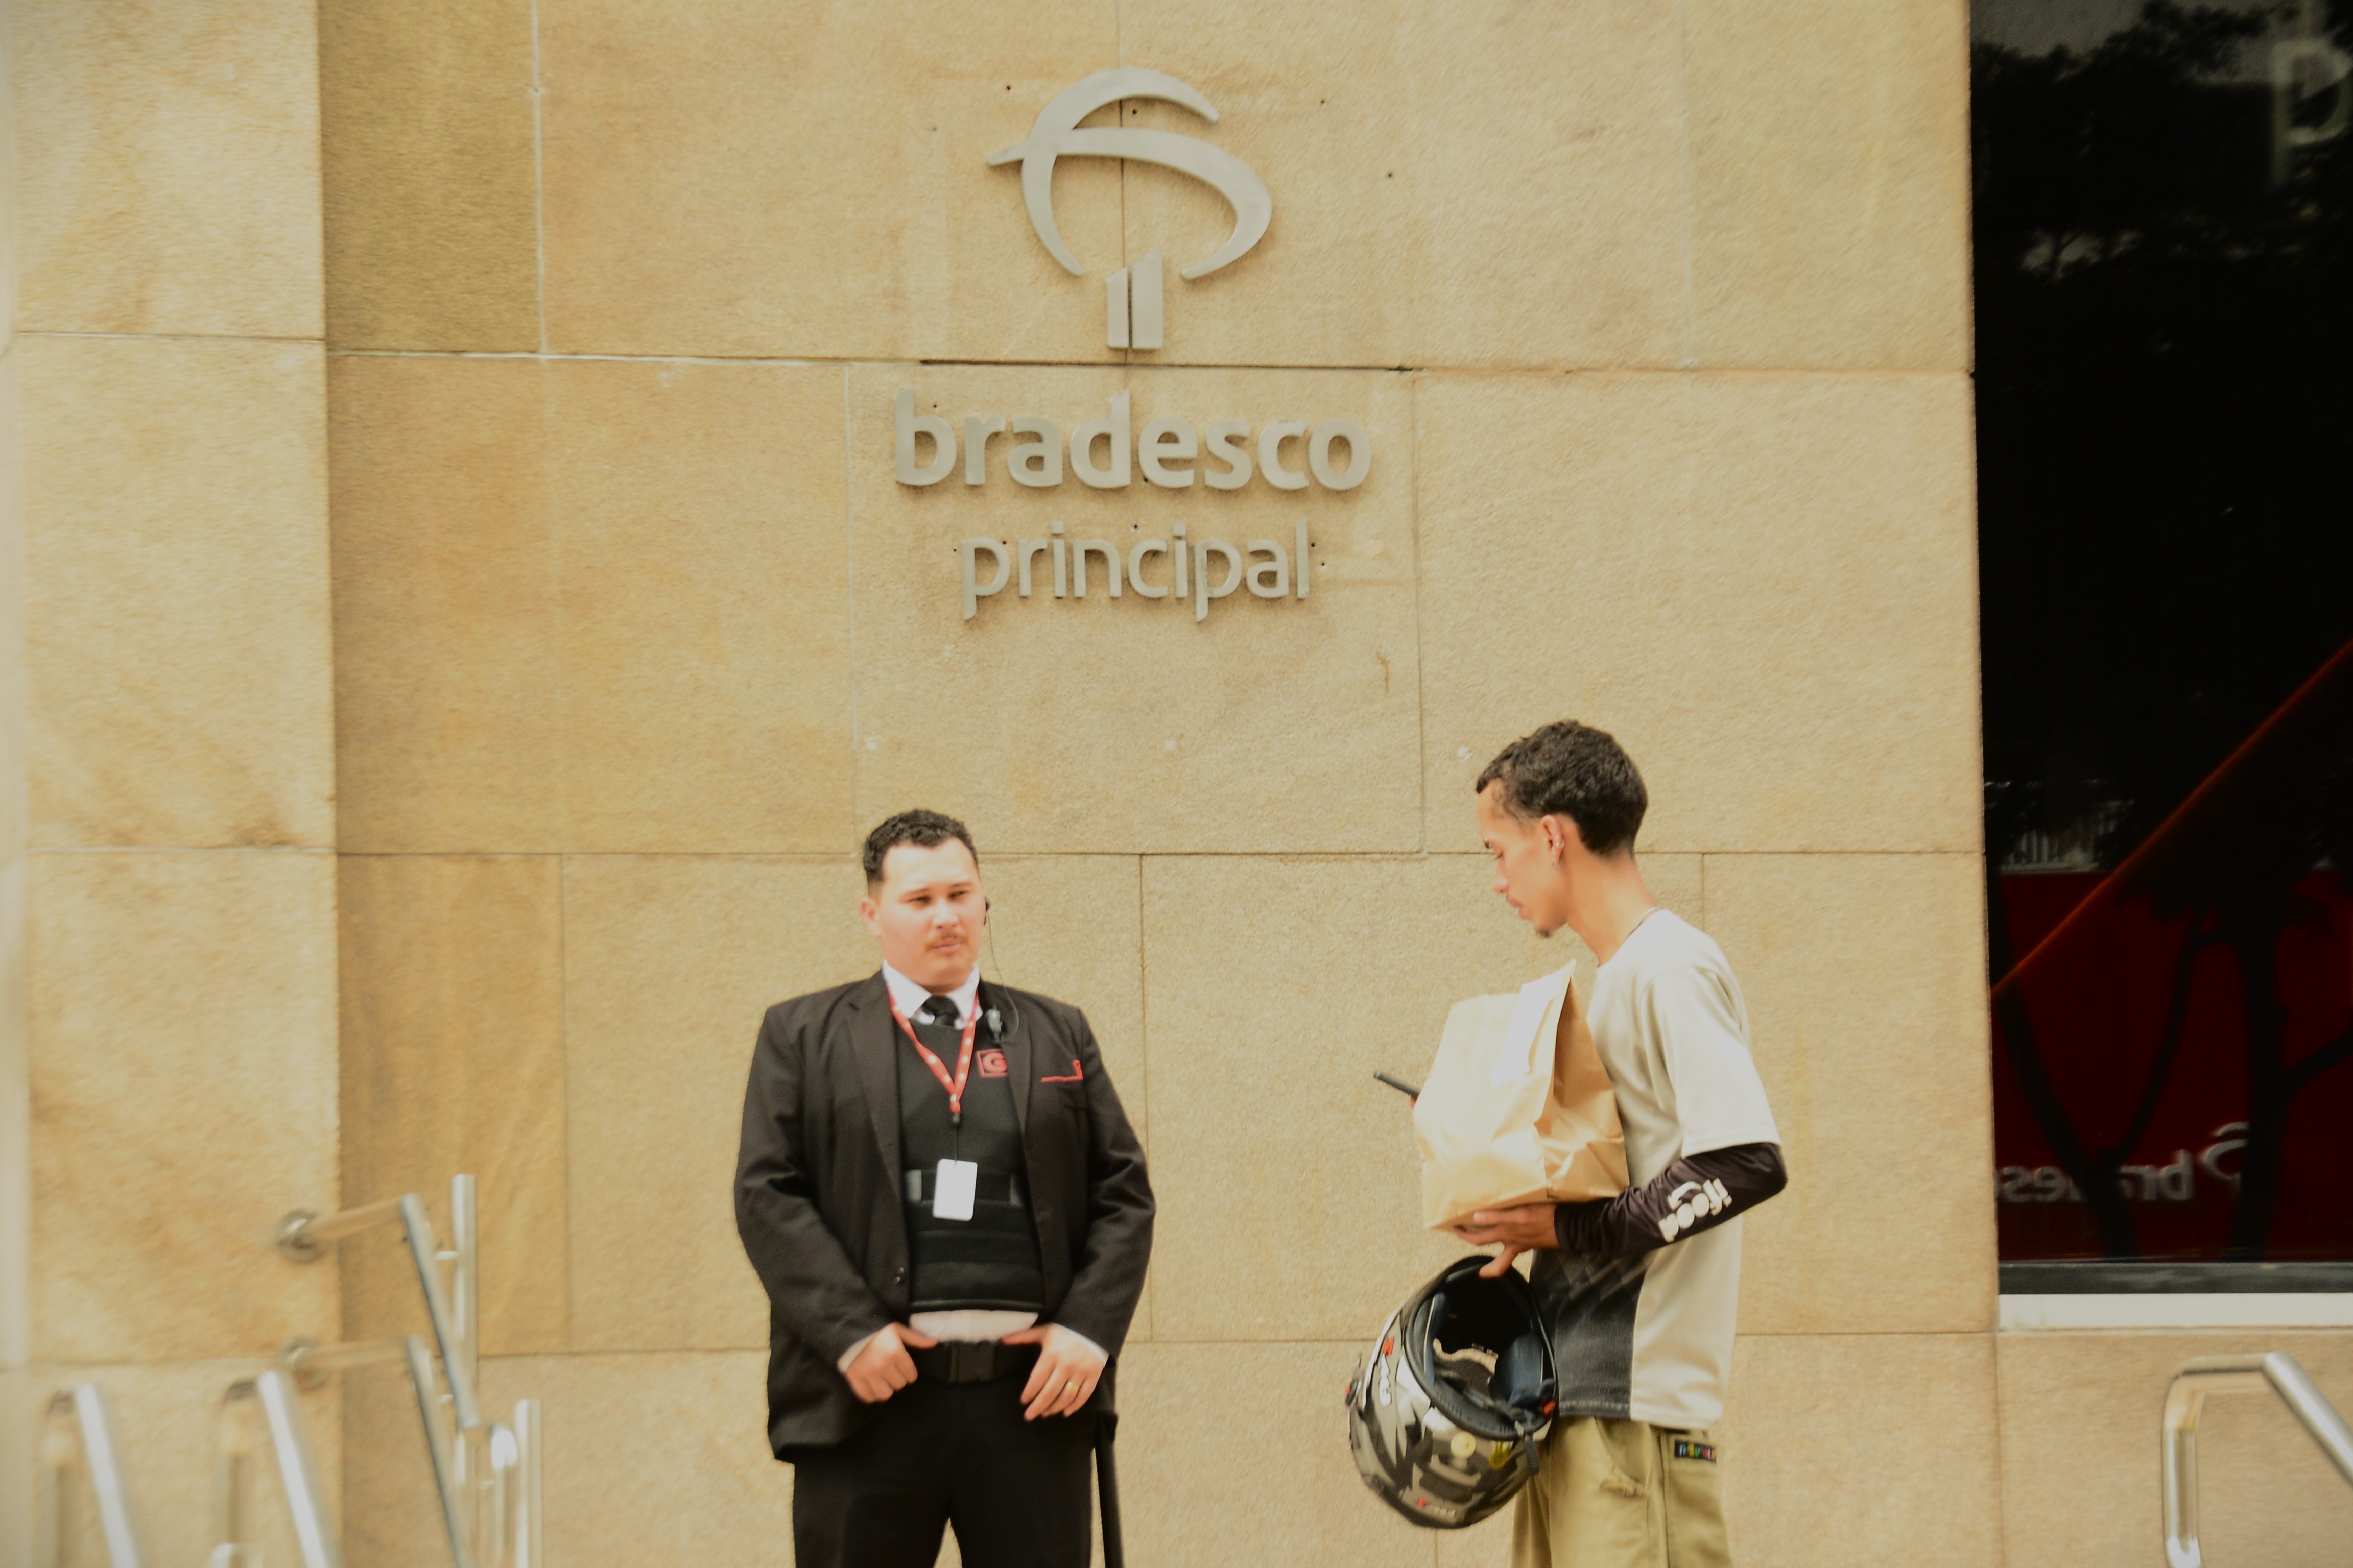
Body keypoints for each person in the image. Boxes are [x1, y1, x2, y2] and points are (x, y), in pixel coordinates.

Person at [734, 809, 1153, 1568]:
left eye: (961, 895)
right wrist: (850, 1331)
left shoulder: (1058, 1032)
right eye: (919, 900)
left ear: (985, 900)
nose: (946, 917)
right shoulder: (802, 1035)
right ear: (872, 913)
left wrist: (1090, 1330)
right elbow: (768, 1193)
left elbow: (1123, 1192)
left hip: (1031, 1404)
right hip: (868, 1406)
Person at [1447, 721, 1788, 1568]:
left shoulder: (1670, 967)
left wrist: (1559, 1231)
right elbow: (1638, 1175)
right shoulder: (1625, 977)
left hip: (1633, 1412)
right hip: (1579, 1399)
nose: (1497, 881)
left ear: (1553, 837)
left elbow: (1745, 1162)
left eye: (1499, 851)